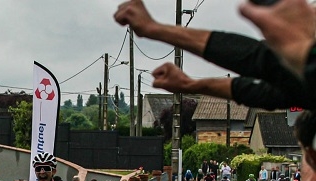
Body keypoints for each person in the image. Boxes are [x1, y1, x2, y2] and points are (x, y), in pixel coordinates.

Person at [114, 0, 316, 111]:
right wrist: (191, 85)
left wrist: (297, 48)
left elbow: (260, 60)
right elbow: (254, 89)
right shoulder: (303, 87)